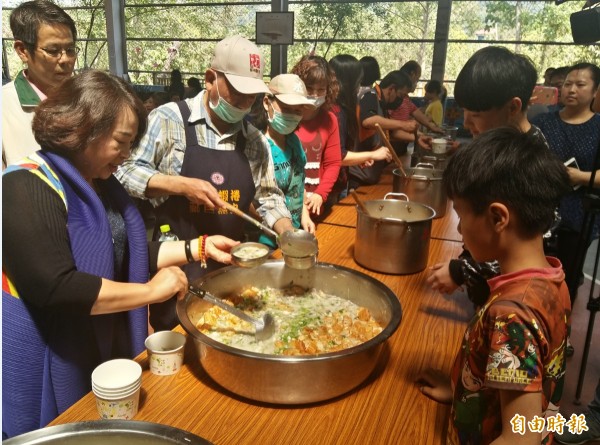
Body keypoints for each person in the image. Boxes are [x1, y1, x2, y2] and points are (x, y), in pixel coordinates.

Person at [1, 70, 239, 438]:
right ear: (83, 129)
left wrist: (198, 247)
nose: (128, 155)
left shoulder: (101, 183)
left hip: (99, 340)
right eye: (121, 142)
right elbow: (57, 288)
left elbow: (126, 251)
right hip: (50, 350)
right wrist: (150, 292)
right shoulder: (22, 184)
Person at [116, 36, 294, 330]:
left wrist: (286, 231)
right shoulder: (167, 120)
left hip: (231, 267)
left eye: (252, 96)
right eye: (238, 92)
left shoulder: (254, 140)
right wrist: (180, 185)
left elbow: (268, 196)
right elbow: (123, 172)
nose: (245, 103)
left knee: (231, 331)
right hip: (178, 264)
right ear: (210, 79)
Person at [417, 127, 572, 445]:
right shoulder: (551, 277)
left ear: (498, 217)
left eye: (461, 215)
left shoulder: (511, 315)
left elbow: (520, 439)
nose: (459, 229)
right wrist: (462, 391)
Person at [427, 46, 546, 307]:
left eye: (476, 115)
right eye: (465, 112)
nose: (466, 124)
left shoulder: (530, 158)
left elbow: (527, 246)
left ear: (513, 107)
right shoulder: (500, 143)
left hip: (508, 301)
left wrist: (464, 270)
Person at [532, 63, 600, 299]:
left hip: (579, 215)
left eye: (580, 85)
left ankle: (561, 326)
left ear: (595, 91)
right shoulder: (544, 123)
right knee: (534, 272)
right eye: (567, 84)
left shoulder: (599, 127)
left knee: (567, 277)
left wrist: (578, 177)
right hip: (539, 210)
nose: (571, 89)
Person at [2, 0, 78, 169]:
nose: (65, 59)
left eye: (70, 50)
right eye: (53, 51)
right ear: (22, 51)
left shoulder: (86, 98)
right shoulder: (5, 107)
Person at [247, 73, 316, 247]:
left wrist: (304, 216)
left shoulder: (294, 141)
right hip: (266, 238)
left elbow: (299, 184)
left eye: (298, 110)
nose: (293, 115)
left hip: (294, 233)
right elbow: (247, 200)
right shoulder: (256, 146)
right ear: (266, 102)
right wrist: (278, 226)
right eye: (287, 108)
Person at [328, 54, 392, 202]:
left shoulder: (340, 108)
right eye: (358, 81)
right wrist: (372, 155)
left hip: (338, 182)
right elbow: (337, 156)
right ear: (349, 82)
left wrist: (358, 159)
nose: (359, 86)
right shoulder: (335, 112)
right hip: (328, 188)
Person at [290, 55, 342, 219]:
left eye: (321, 90)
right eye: (309, 88)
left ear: (328, 90)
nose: (314, 94)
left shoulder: (330, 120)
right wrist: (297, 193)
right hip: (288, 201)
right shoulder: (285, 117)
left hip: (316, 203)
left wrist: (321, 194)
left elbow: (333, 163)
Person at [349, 70, 417, 189]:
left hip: (372, 171)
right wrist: (403, 124)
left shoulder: (382, 104)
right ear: (392, 89)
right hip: (360, 173)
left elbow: (392, 132)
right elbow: (368, 121)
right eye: (400, 95)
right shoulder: (370, 95)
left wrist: (418, 137)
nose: (400, 101)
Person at [387, 60, 443, 154]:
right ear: (412, 74)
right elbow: (393, 132)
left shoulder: (404, 96)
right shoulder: (395, 96)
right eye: (417, 78)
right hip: (393, 145)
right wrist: (419, 136)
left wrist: (430, 125)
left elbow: (414, 110)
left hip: (402, 143)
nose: (417, 82)